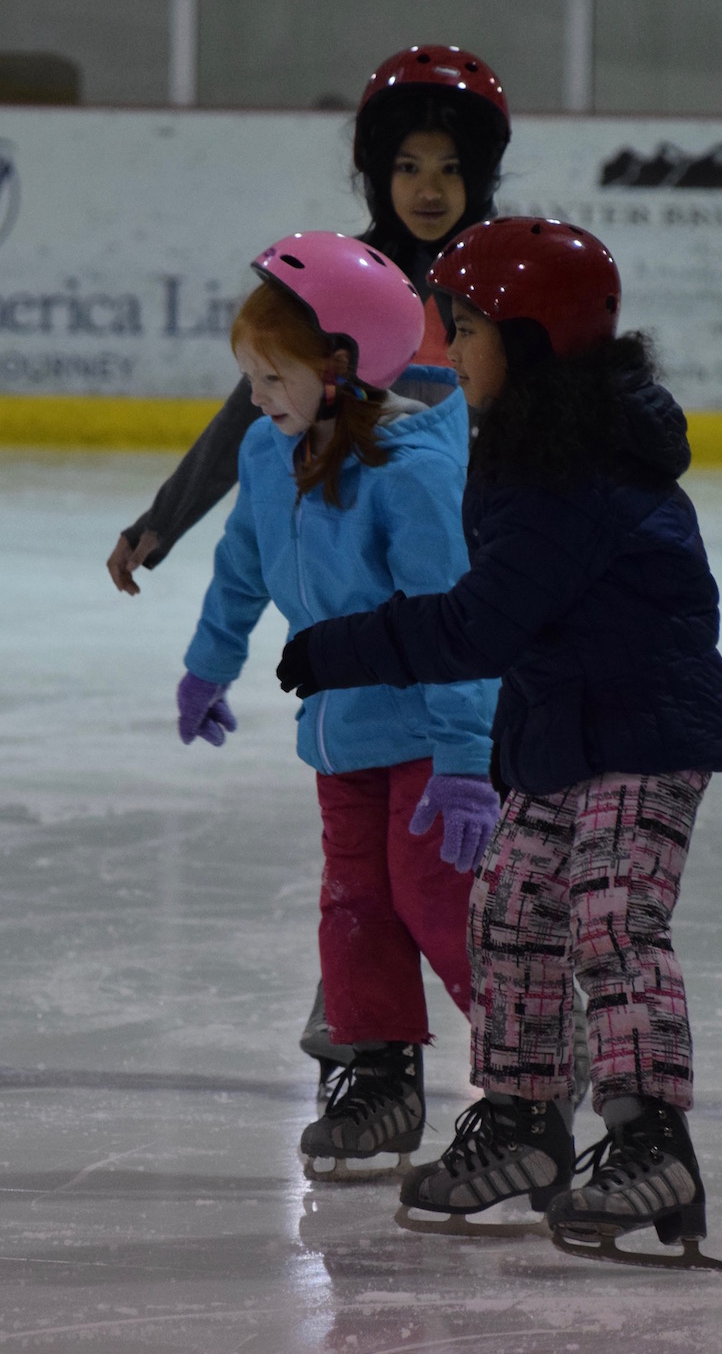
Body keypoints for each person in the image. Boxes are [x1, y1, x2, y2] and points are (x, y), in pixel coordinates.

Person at [273, 217, 722, 1266]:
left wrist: (344, 647)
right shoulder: (528, 446)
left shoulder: (571, 465)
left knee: (609, 915)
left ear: (529, 341)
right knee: (506, 912)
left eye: (463, 329)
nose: (443, 354)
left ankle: (648, 1139)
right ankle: (525, 1120)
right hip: (557, 727)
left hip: (642, 724)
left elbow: (480, 621)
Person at [105, 44, 512, 1095]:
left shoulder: (499, 288)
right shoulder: (332, 287)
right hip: (358, 649)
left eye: (451, 170)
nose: (429, 189)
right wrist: (166, 520)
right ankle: (367, 1054)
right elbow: (251, 426)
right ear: (376, 172)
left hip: (474, 609)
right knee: (360, 877)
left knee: (435, 861)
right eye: (409, 166)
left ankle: (525, 1057)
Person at [177, 230, 500, 1178]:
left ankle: (531, 1058)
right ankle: (377, 1076)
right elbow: (240, 563)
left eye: (272, 376)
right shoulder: (268, 448)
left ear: (342, 366)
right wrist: (210, 664)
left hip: (427, 735)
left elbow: (455, 622)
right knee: (353, 903)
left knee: (435, 900)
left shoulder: (409, 471)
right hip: (340, 731)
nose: (257, 396)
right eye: (250, 376)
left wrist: (468, 757)